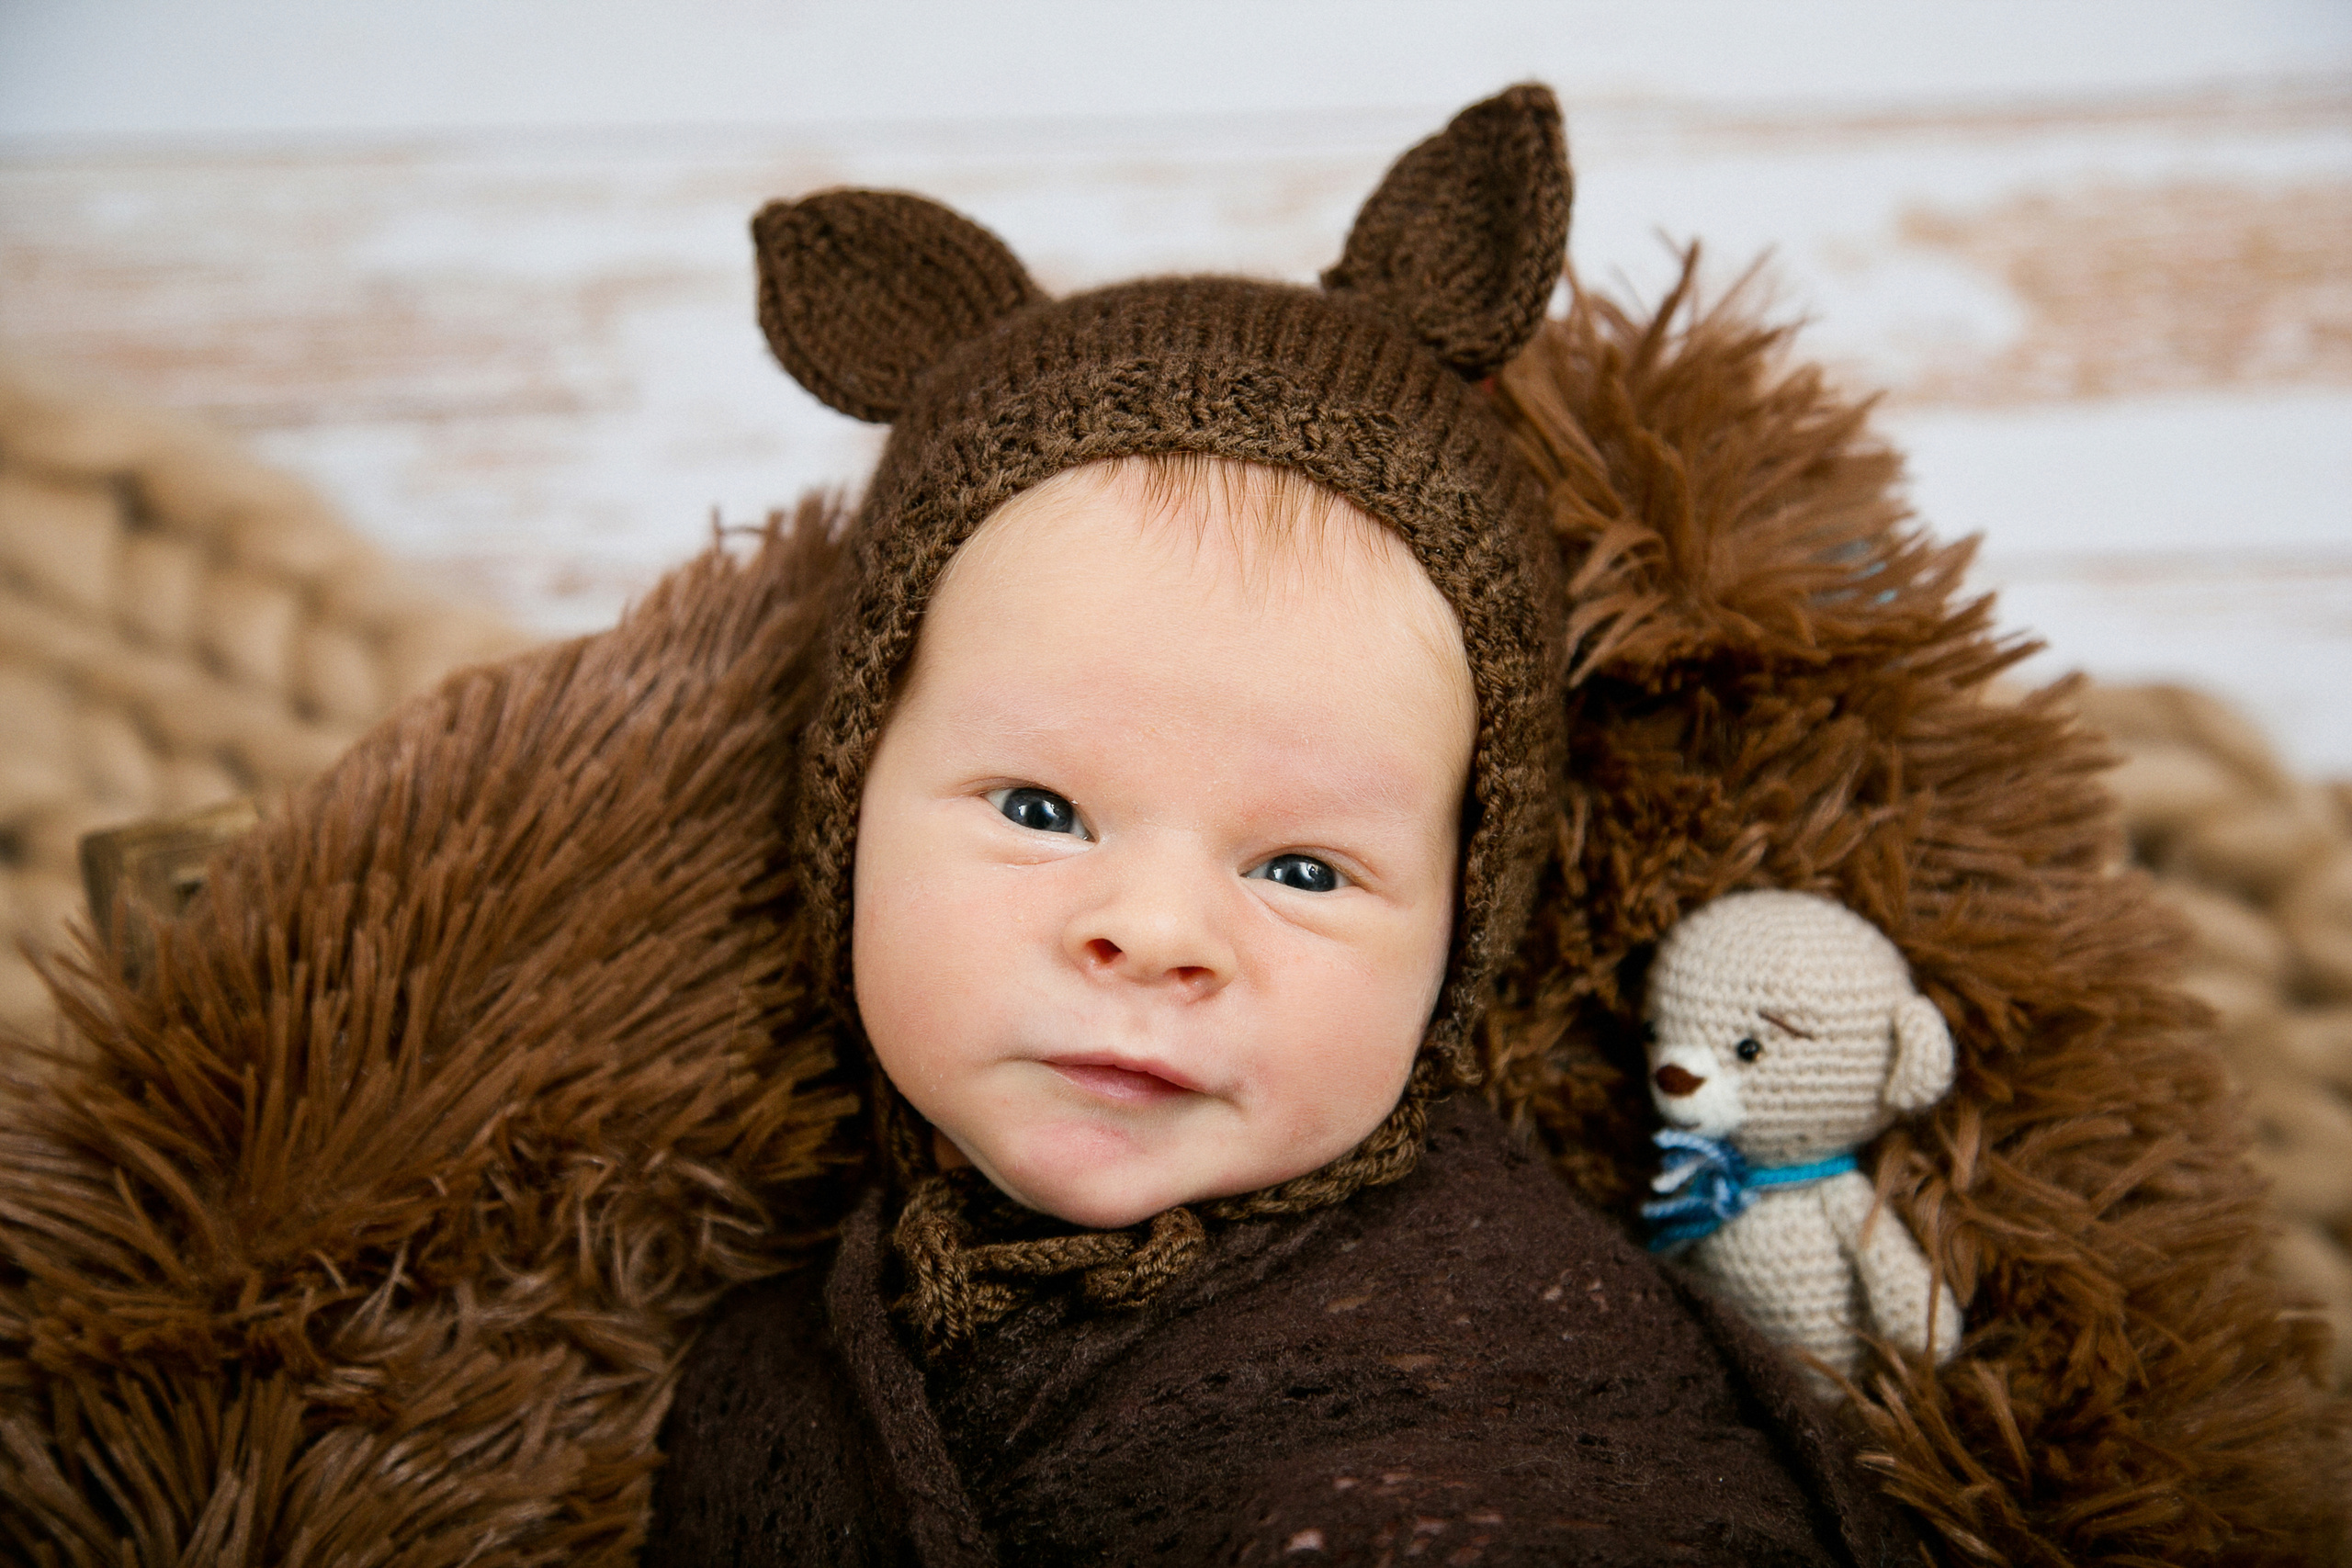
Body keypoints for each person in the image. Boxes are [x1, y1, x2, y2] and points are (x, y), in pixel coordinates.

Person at [640, 85, 1914, 1565]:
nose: (1156, 934)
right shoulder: (790, 1327)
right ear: (850, 809)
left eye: (1304, 868)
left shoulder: (1511, 1328)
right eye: (1043, 810)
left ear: (1459, 935)